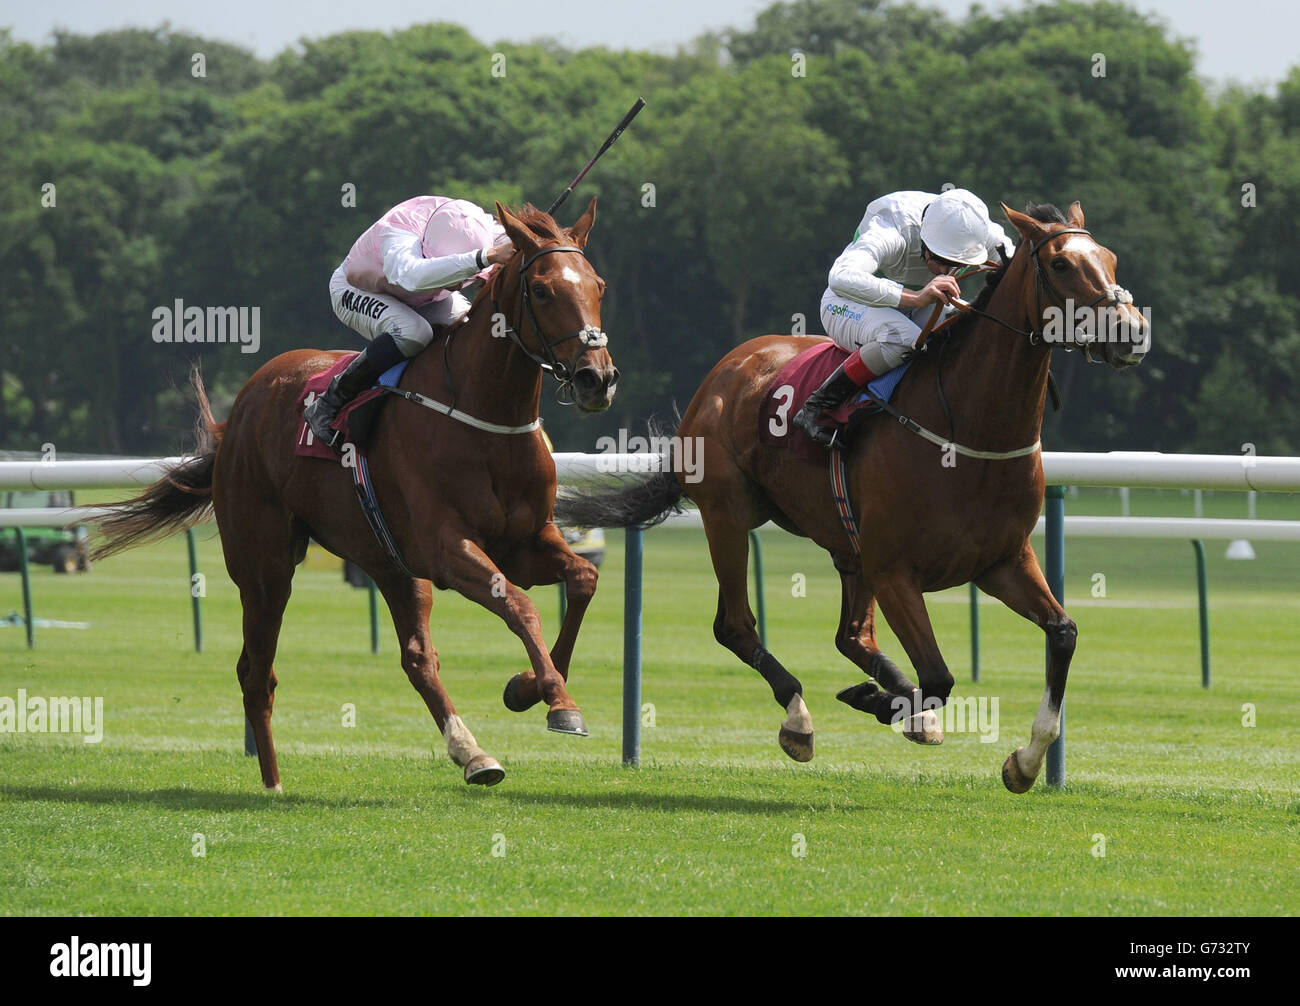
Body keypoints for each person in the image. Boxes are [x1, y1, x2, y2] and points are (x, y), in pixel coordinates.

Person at [792, 188, 1015, 447]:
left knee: (966, 324)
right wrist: (915, 298)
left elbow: (1017, 263)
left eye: (956, 261)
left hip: (915, 302)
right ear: (924, 241)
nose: (947, 270)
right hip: (848, 302)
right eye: (942, 260)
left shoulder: (975, 229)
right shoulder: (890, 230)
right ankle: (817, 405)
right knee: (902, 337)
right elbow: (840, 277)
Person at [304, 195, 514, 449]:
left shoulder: (474, 223)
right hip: (358, 290)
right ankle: (329, 403)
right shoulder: (400, 233)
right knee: (414, 333)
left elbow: (510, 242)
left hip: (422, 297)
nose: (459, 284)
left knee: (471, 327)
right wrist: (483, 259)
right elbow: (411, 277)